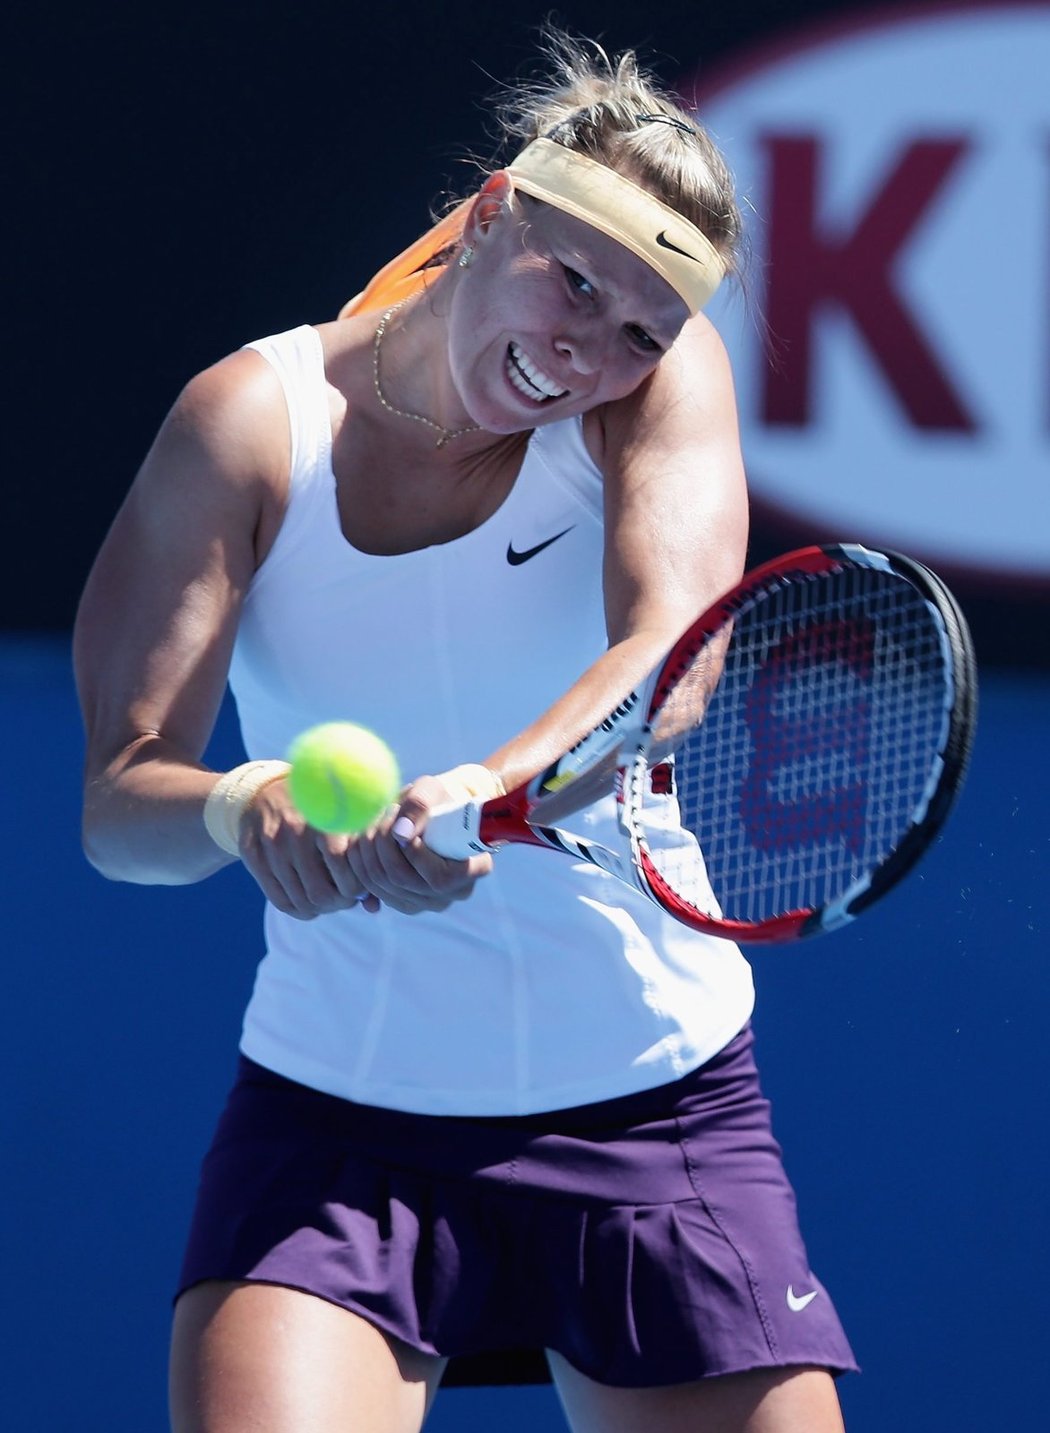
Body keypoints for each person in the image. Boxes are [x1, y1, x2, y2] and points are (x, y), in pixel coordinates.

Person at [74, 30, 857, 1433]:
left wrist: (491, 785)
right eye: (572, 283)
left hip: (656, 1106)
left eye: (640, 328)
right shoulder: (252, 424)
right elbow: (119, 809)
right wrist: (239, 803)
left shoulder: (653, 397)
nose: (587, 353)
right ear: (490, 212)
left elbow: (667, 661)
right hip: (339, 1123)